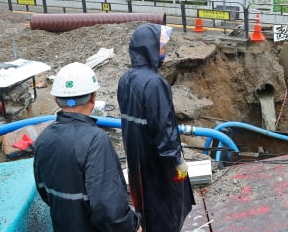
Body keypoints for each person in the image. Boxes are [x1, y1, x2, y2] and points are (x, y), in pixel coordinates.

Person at [33, 62, 141, 232]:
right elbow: (108, 208)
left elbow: (43, 191)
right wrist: (133, 226)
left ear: (56, 100)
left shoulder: (43, 139)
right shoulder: (95, 140)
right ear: (93, 97)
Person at [117, 23, 195, 232]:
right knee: (168, 212)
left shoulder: (125, 80)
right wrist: (177, 161)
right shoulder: (154, 84)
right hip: (158, 167)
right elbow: (164, 128)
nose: (164, 52)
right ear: (149, 47)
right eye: (161, 47)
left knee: (147, 210)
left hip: (138, 164)